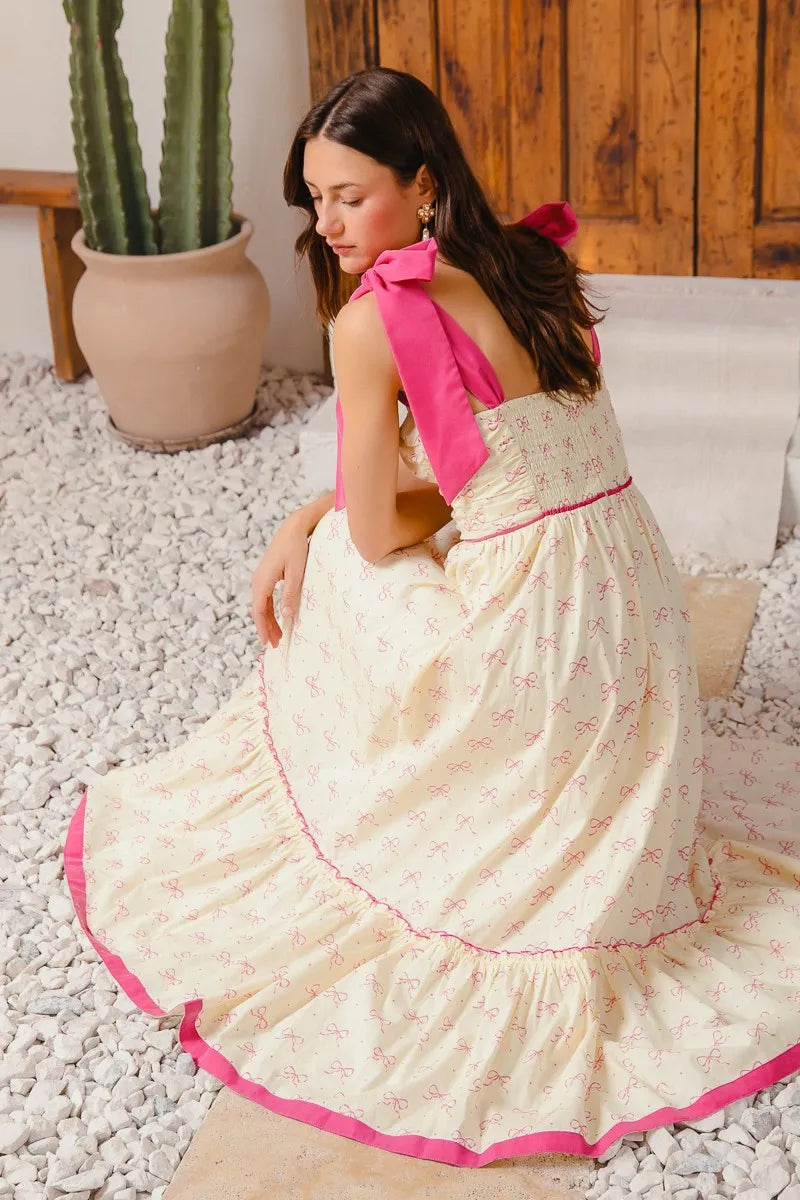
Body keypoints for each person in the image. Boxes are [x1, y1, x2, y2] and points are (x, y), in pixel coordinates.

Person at [65, 67, 800, 1169]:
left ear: (420, 185)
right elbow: (505, 477)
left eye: (350, 197)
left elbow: (376, 533)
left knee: (338, 564)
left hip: (537, 631)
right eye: (316, 199)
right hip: (626, 601)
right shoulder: (532, 263)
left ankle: (379, 776)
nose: (328, 225)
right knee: (380, 535)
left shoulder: (373, 322)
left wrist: (310, 520)